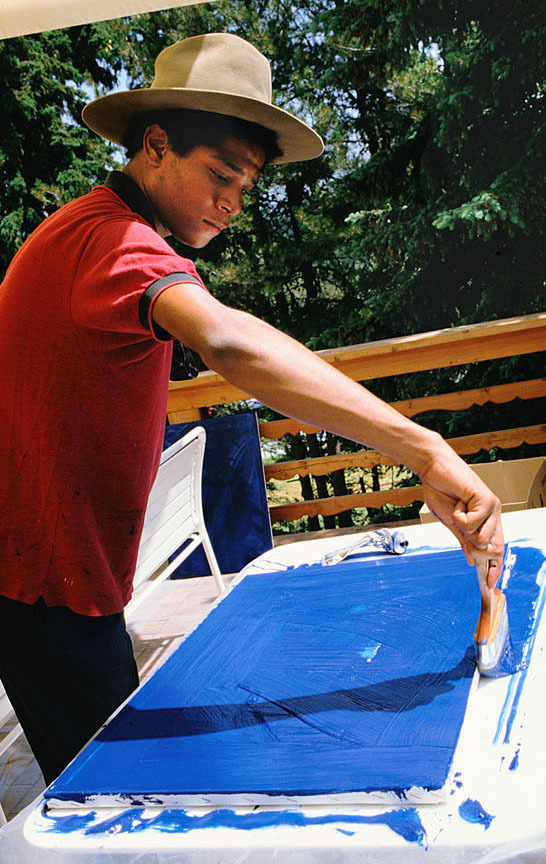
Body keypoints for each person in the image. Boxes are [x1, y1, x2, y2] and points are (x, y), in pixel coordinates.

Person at [0, 33, 504, 785]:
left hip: (51, 570)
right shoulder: (113, 242)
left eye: (246, 185)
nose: (234, 203)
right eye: (221, 175)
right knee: (113, 803)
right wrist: (425, 448)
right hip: (44, 584)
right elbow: (230, 344)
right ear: (157, 145)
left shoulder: (98, 232)